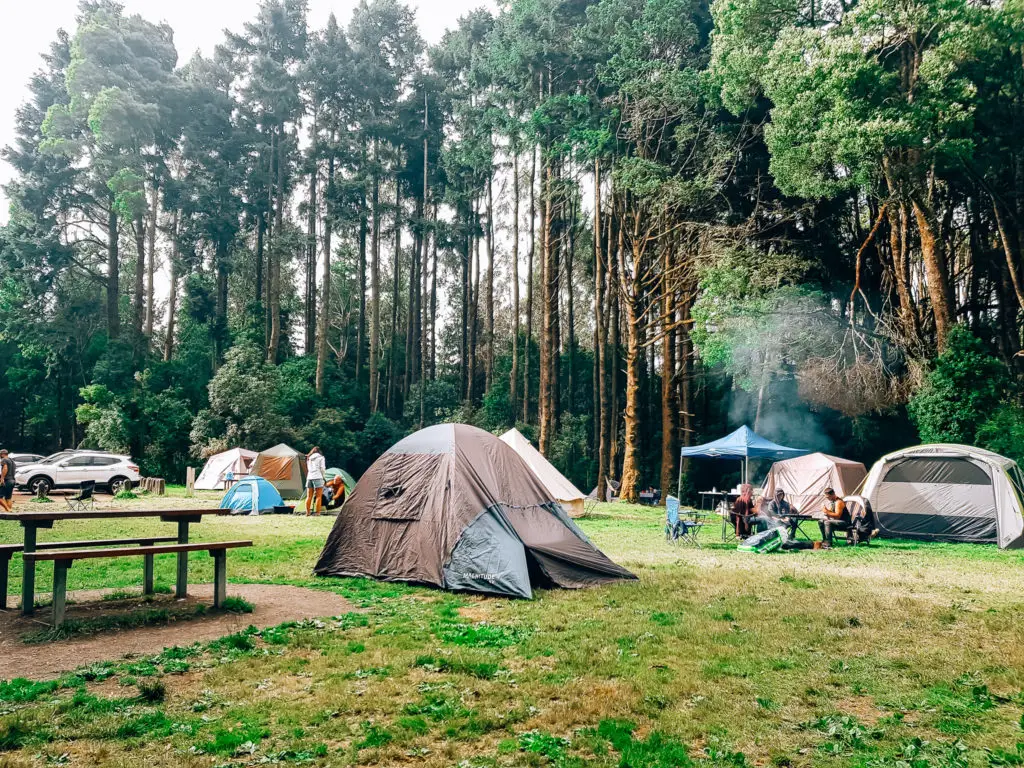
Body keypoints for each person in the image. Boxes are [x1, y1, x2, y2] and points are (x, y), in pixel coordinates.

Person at [305, 446, 327, 516]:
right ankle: (317, 513)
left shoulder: (309, 458)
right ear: (319, 452)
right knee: (318, 496)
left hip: (309, 477)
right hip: (318, 477)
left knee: (309, 496)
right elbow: (322, 468)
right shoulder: (321, 457)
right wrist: (323, 477)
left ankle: (307, 512)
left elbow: (308, 468)